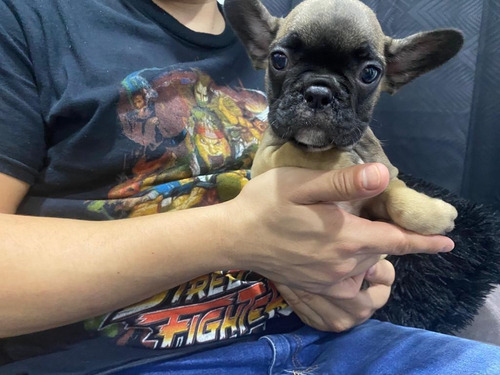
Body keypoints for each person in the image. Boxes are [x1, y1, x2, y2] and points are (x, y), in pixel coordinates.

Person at [0, 0, 499, 373]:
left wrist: (354, 282)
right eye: (283, 64)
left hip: (330, 340)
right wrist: (233, 234)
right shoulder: (28, 20)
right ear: (267, 49)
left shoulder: (284, 29)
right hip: (129, 359)